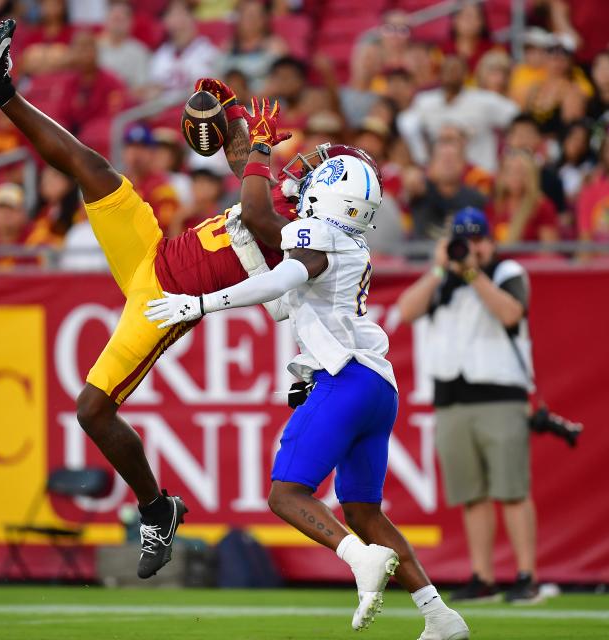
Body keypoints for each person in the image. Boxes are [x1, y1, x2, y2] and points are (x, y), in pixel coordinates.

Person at [0, 19, 311, 579]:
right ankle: (0, 91)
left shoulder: (299, 233)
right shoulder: (281, 199)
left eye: (317, 174)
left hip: (165, 301)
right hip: (153, 255)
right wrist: (230, 113)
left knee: (91, 410)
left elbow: (256, 212)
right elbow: (242, 162)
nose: (306, 172)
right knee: (92, 169)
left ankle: (156, 509)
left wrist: (260, 146)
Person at [144, 148, 470, 640]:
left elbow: (285, 275)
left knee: (285, 494)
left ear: (332, 194)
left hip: (347, 380)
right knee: (362, 511)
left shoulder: (317, 236)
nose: (303, 178)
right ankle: (440, 617)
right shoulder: (352, 245)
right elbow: (285, 301)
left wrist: (201, 304)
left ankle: (360, 560)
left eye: (318, 177)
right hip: (377, 386)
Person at [396, 208, 541, 605]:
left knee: (511, 489)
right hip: (451, 398)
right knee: (471, 493)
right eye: (462, 240)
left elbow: (511, 312)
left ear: (491, 243)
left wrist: (474, 272)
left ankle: (526, 574)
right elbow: (406, 311)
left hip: (499, 394)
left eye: (477, 240)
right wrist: (440, 270)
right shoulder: (444, 280)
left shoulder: (506, 272)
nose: (470, 249)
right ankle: (483, 575)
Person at [399, 55, 518, 172]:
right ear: (440, 73)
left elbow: (517, 117)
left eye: (456, 69)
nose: (451, 73)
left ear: (466, 74)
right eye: (448, 69)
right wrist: (422, 158)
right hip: (440, 175)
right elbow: (406, 123)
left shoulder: (484, 100)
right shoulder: (425, 101)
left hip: (480, 174)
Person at [405, 136, 488, 240]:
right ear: (431, 164)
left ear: (463, 164)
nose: (448, 163)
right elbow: (408, 185)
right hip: (422, 255)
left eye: (453, 158)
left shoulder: (476, 199)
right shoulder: (419, 193)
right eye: (442, 158)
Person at [146, 0, 220, 97]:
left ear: (192, 18)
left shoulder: (207, 51)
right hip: (165, 109)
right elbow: (150, 92)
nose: (178, 20)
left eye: (182, 14)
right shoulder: (161, 55)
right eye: (172, 14)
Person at [487, 150, 560, 245]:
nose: (514, 176)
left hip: (529, 259)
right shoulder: (493, 206)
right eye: (509, 170)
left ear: (530, 175)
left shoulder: (542, 207)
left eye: (520, 171)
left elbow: (549, 249)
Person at [97, 0, 151, 89]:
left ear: (131, 22)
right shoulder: (94, 48)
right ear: (106, 20)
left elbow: (142, 87)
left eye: (121, 20)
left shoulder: (139, 52)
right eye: (115, 19)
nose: (117, 24)